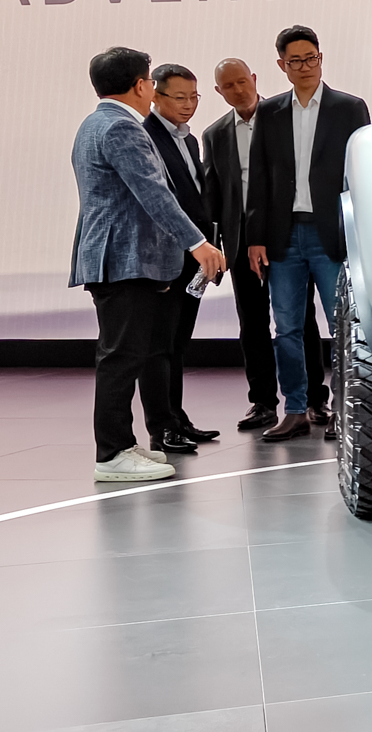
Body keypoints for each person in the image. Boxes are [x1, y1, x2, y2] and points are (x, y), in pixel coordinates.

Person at [70, 47, 227, 482]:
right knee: (122, 357)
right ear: (141, 86)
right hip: (126, 259)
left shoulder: (95, 123)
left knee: (125, 354)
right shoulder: (122, 127)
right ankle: (113, 453)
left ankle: (122, 444)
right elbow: (154, 193)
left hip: (117, 257)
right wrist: (199, 244)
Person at [246, 26, 370, 441]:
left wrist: (360, 232)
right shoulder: (270, 112)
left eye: (311, 57)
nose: (305, 67)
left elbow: (362, 175)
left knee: (343, 327)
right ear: (282, 65)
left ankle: (344, 408)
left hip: (330, 234)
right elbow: (259, 178)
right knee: (287, 329)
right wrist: (255, 237)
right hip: (283, 237)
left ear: (321, 57)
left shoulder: (349, 108)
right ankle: (296, 409)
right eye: (295, 61)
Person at [203, 58, 327, 433]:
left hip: (283, 234)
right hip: (240, 241)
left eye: (243, 81)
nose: (239, 90)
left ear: (255, 79)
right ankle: (262, 402)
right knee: (252, 322)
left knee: (300, 320)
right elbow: (213, 194)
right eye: (230, 86)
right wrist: (212, 246)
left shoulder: (281, 116)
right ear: (219, 92)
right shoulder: (215, 134)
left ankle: (314, 400)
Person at [142, 64, 221, 452]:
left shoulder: (189, 140)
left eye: (194, 97)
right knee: (158, 346)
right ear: (155, 95)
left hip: (193, 257)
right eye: (179, 97)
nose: (189, 105)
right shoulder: (144, 135)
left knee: (177, 343)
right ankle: (162, 426)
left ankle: (176, 417)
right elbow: (158, 201)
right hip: (163, 257)